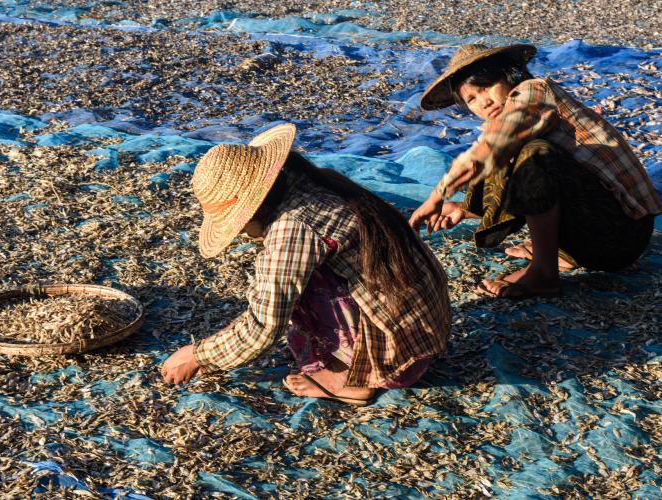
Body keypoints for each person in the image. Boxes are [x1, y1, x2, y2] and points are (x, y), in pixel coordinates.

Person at [160, 123, 451, 405]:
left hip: (398, 356)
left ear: (253, 206)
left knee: (288, 283)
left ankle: (354, 378)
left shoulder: (293, 229)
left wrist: (197, 355)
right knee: (289, 274)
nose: (239, 232)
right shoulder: (312, 181)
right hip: (425, 329)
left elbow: (264, 325)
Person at [409, 44, 662, 299]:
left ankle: (543, 272)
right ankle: (557, 255)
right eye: (471, 99)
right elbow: (485, 164)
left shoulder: (534, 91)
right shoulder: (497, 125)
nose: (483, 102)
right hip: (586, 237)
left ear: (509, 76)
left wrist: (436, 197)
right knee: (499, 156)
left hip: (622, 234)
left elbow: (491, 150)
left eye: (486, 87)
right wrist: (464, 209)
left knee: (533, 153)